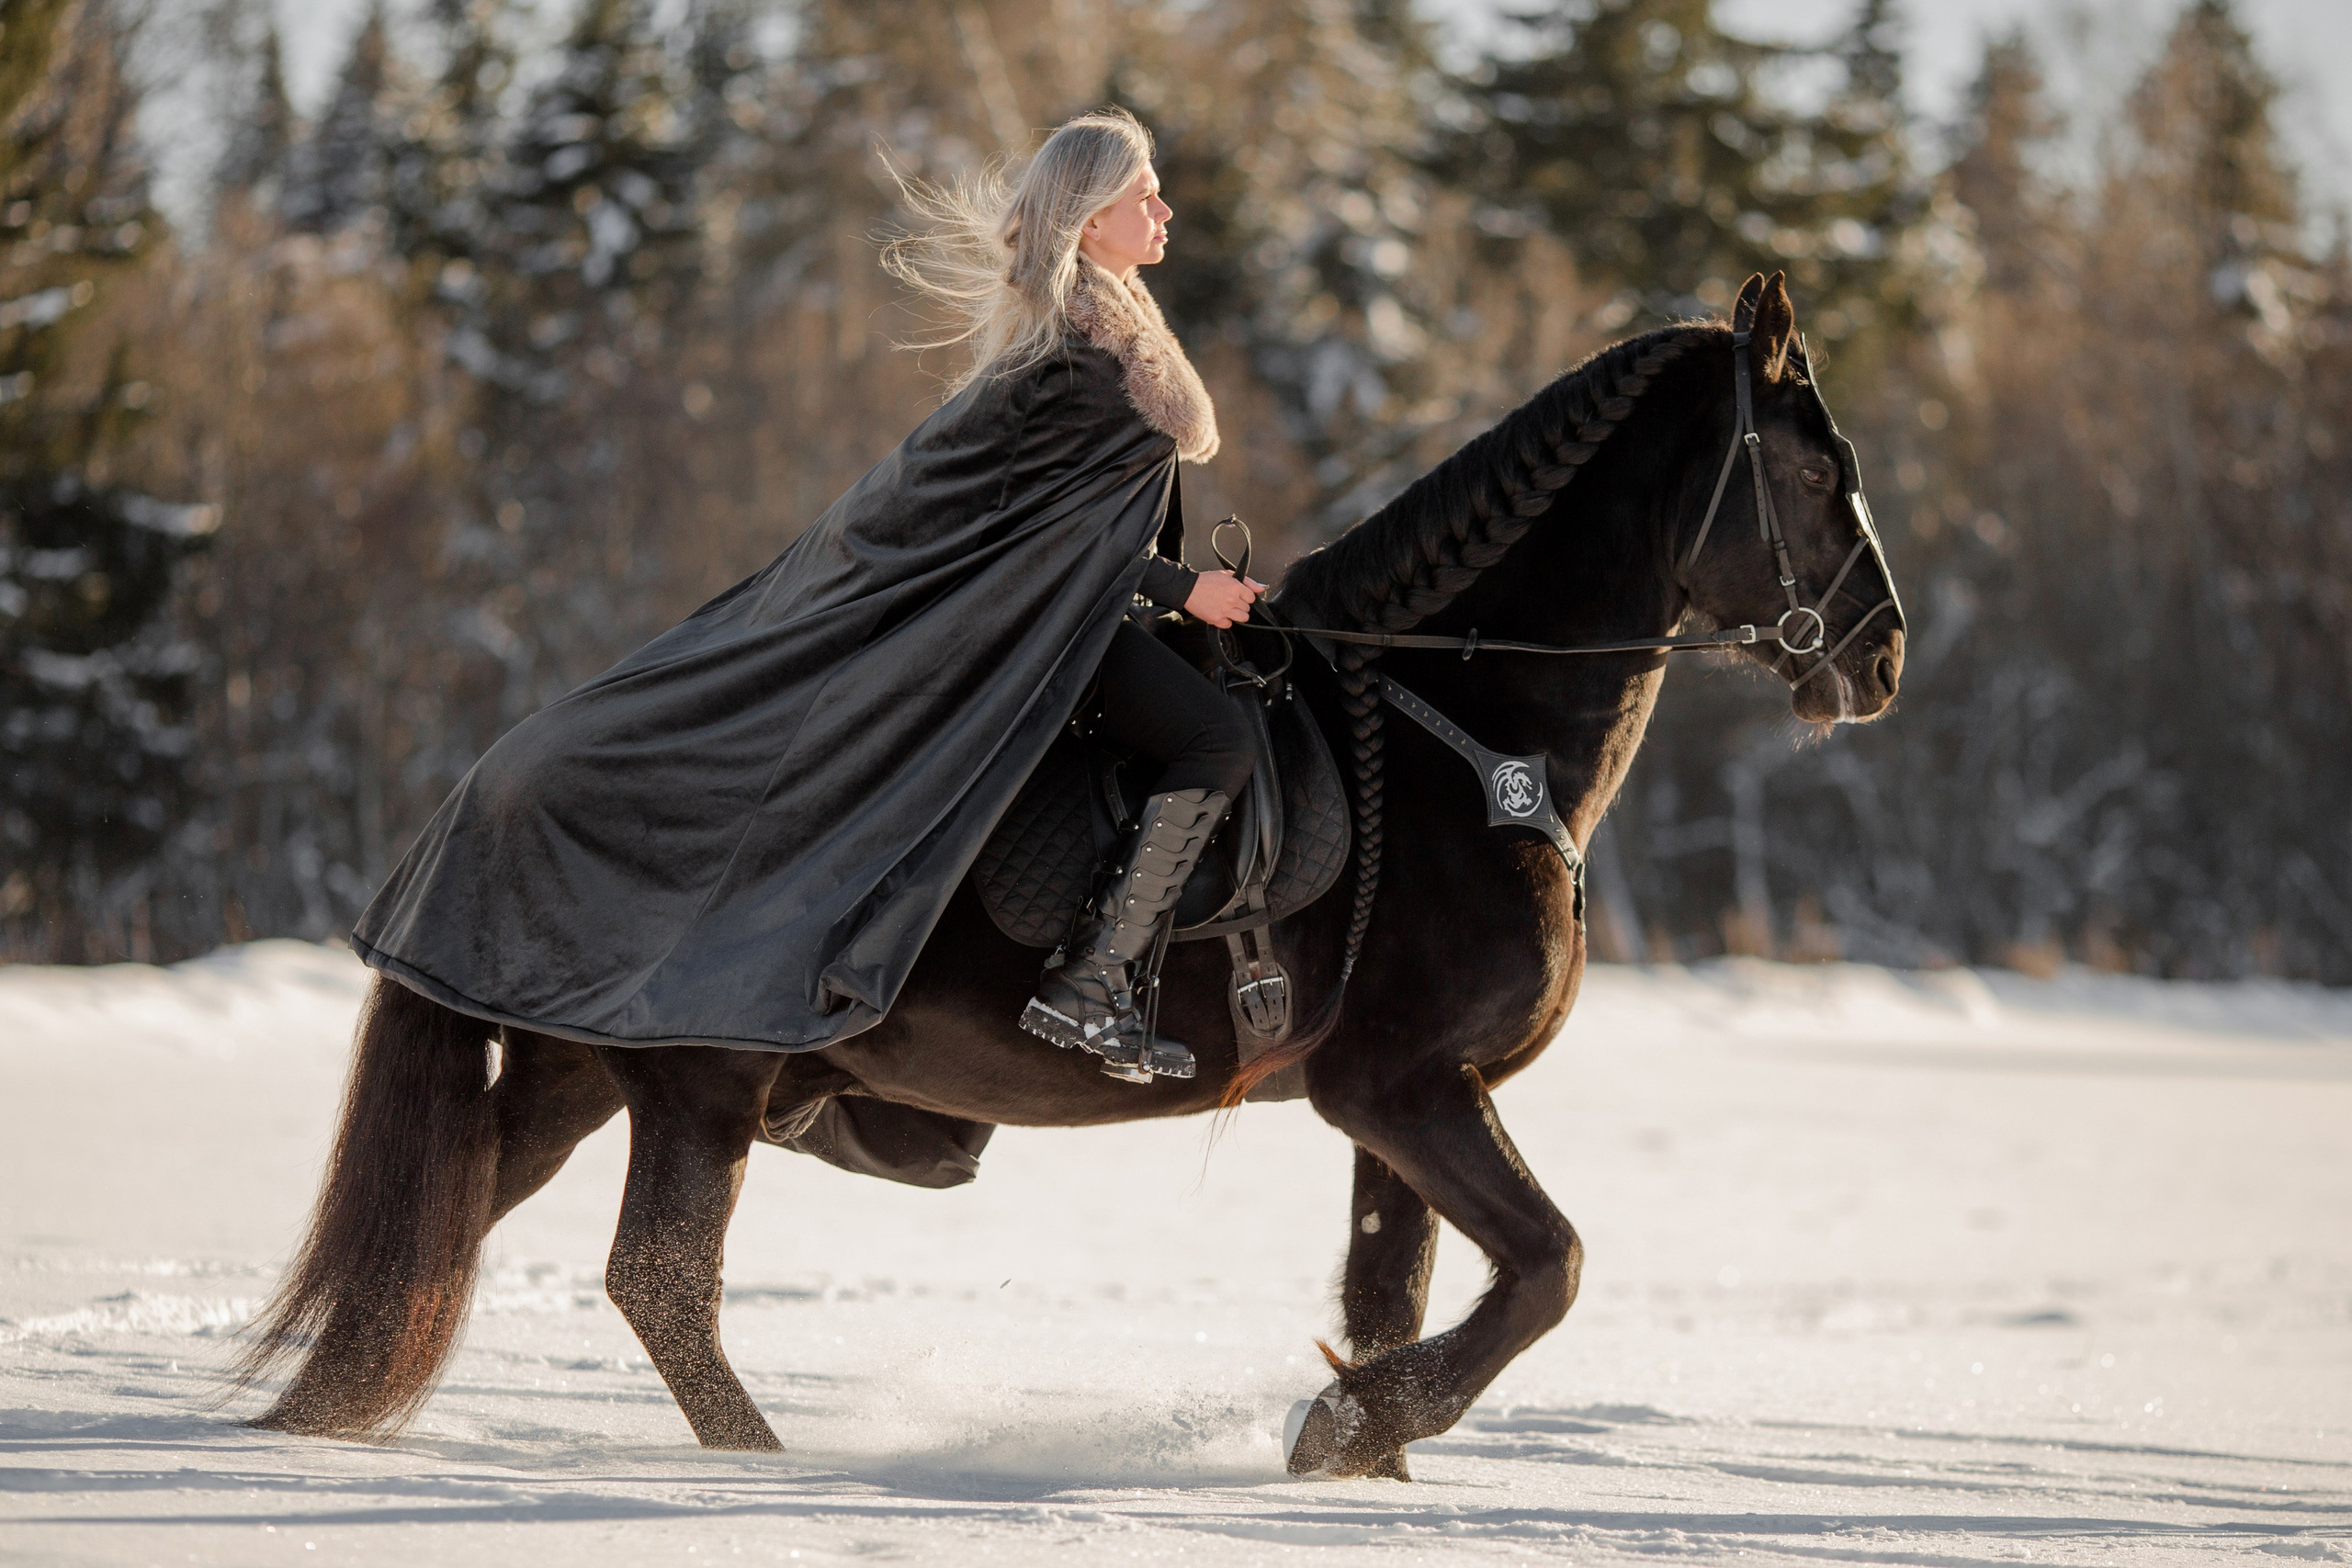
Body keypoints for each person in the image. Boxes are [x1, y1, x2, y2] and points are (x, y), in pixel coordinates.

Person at [347, 108, 1254, 1085]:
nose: (1164, 208)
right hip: (1032, 634)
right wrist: (1182, 588)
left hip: (1059, 614)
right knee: (1219, 739)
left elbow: (1056, 530)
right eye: (1141, 192)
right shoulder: (1081, 363)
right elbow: (1050, 542)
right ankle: (1095, 980)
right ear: (1087, 219)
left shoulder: (1094, 340)